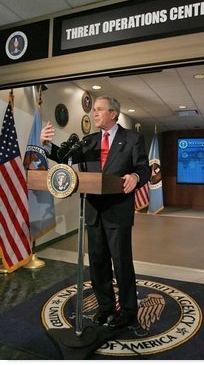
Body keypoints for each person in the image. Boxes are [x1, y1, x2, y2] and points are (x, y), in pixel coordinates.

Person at [40, 95, 151, 329]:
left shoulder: (132, 139)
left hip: (118, 211)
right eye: (95, 110)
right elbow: (65, 158)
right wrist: (48, 145)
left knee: (122, 264)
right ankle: (105, 307)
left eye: (100, 109)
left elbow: (143, 168)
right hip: (93, 211)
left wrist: (135, 176)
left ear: (113, 113)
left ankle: (129, 311)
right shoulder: (88, 140)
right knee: (98, 263)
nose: (95, 113)